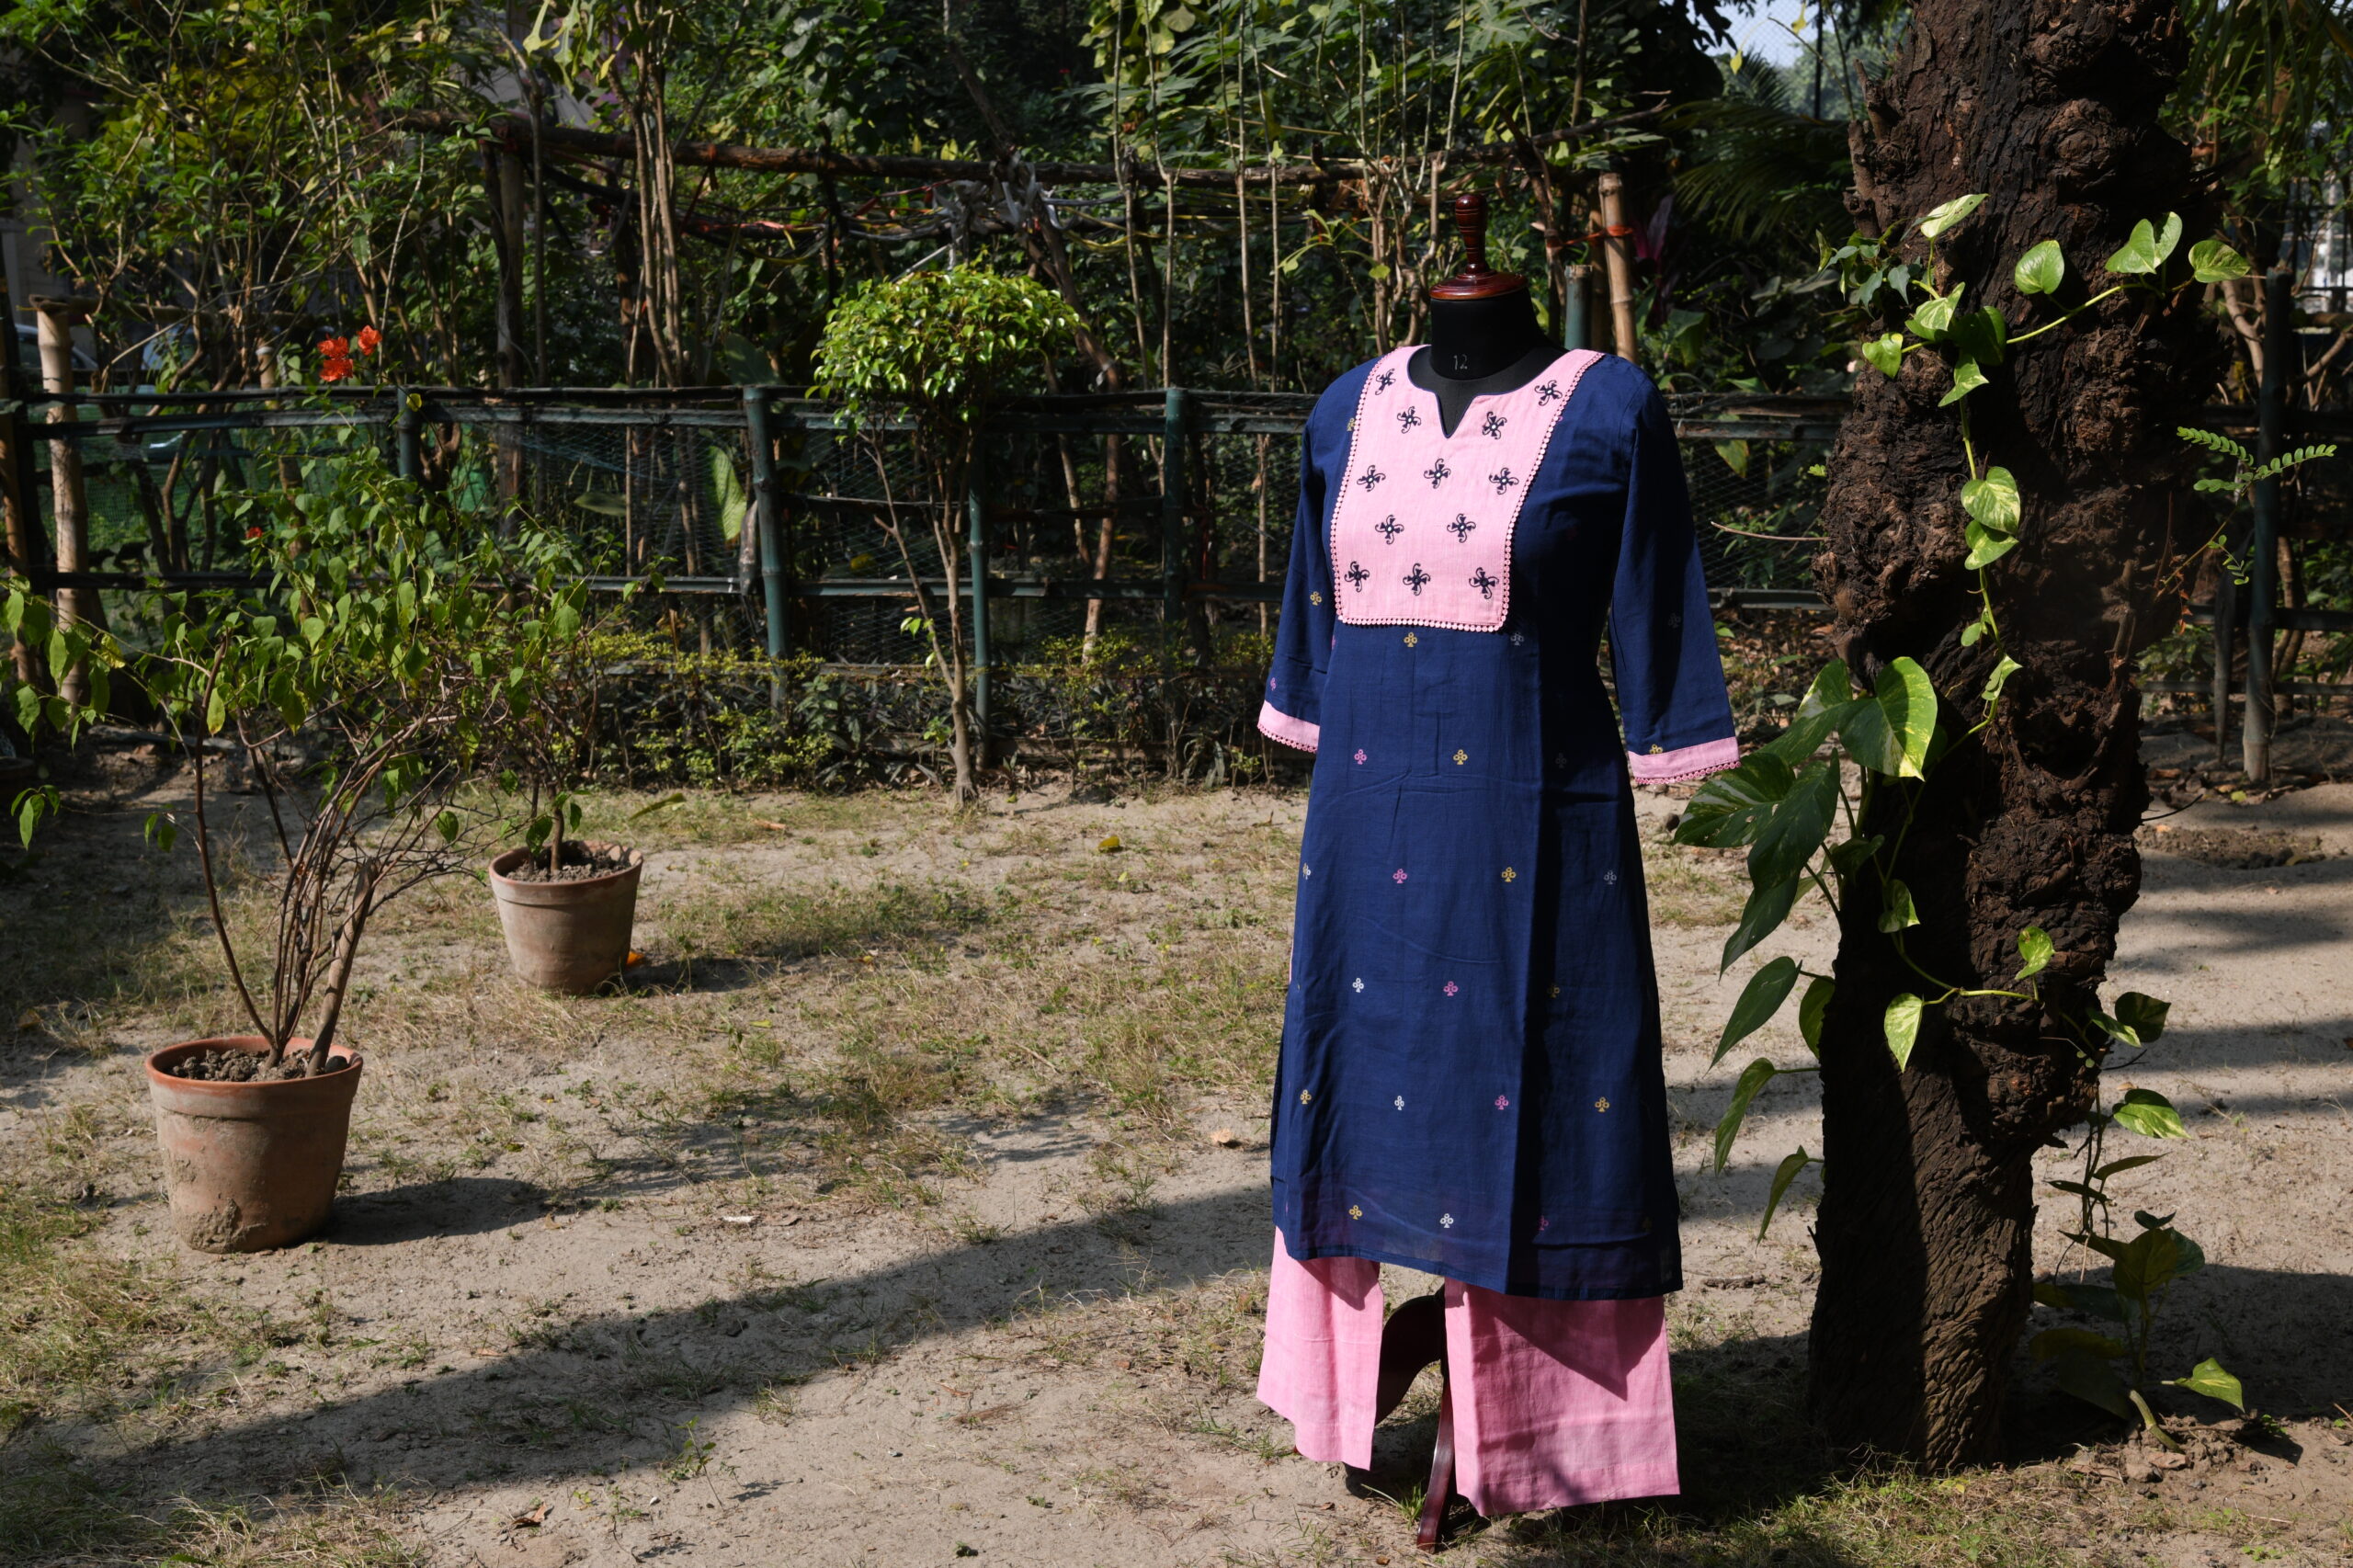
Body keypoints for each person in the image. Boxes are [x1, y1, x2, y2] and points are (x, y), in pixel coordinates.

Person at [1252, 193, 1741, 1550]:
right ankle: (1351, 1374)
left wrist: (1671, 727)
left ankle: (1534, 1420)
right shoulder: (1346, 410)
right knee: (1363, 1076)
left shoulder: (1610, 408)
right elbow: (1313, 617)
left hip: (1539, 827)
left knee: (1541, 1082)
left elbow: (1656, 596)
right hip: (1365, 828)